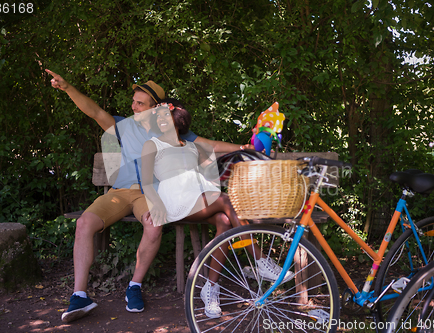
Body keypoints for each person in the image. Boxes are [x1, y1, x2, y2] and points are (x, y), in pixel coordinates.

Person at [45, 69, 252, 323]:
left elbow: (208, 145)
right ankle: (79, 295)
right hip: (119, 192)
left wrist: (241, 148)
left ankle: (134, 286)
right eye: (133, 101)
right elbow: (95, 111)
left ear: (156, 108)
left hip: (148, 192)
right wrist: (67, 88)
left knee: (154, 226)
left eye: (140, 103)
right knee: (84, 223)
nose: (134, 106)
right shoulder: (123, 126)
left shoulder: (168, 128)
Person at [141, 99, 294, 318]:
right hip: (174, 200)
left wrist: (248, 151)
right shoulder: (152, 145)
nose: (162, 119)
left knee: (224, 220)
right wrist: (155, 204)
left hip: (197, 197)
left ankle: (210, 289)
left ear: (178, 118)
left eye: (166, 115)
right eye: (158, 116)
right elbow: (146, 181)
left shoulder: (192, 146)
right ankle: (260, 260)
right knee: (226, 201)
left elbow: (214, 166)